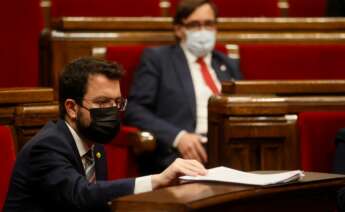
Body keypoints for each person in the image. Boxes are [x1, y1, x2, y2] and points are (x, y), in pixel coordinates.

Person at [4, 57, 207, 212]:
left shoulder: (95, 143)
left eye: (116, 103)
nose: (111, 111)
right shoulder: (48, 146)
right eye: (102, 102)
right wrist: (157, 180)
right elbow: (81, 195)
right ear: (72, 108)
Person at [124, 0, 242, 174]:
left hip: (230, 151)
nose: (203, 31)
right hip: (179, 155)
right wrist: (178, 137)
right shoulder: (158, 59)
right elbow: (134, 110)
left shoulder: (228, 63)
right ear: (179, 29)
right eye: (195, 25)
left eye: (209, 24)